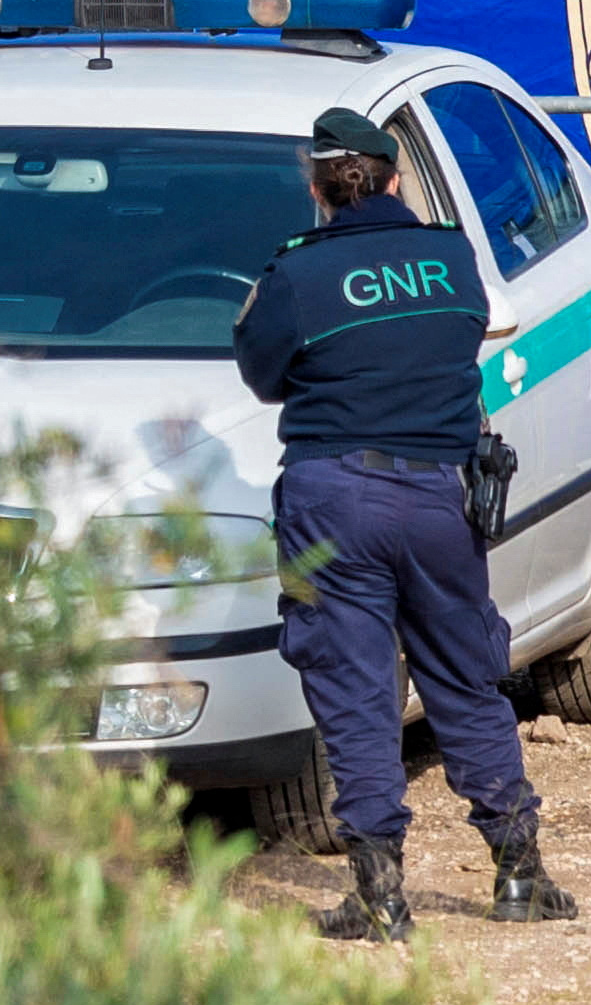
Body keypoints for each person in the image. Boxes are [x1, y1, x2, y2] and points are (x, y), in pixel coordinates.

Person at [228, 105, 570, 943]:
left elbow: (262, 375)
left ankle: (379, 894)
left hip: (332, 499)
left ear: (318, 189)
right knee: (465, 675)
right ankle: (518, 870)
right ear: (394, 178)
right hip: (435, 499)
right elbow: (474, 331)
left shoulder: (296, 275)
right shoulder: (451, 256)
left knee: (354, 688)